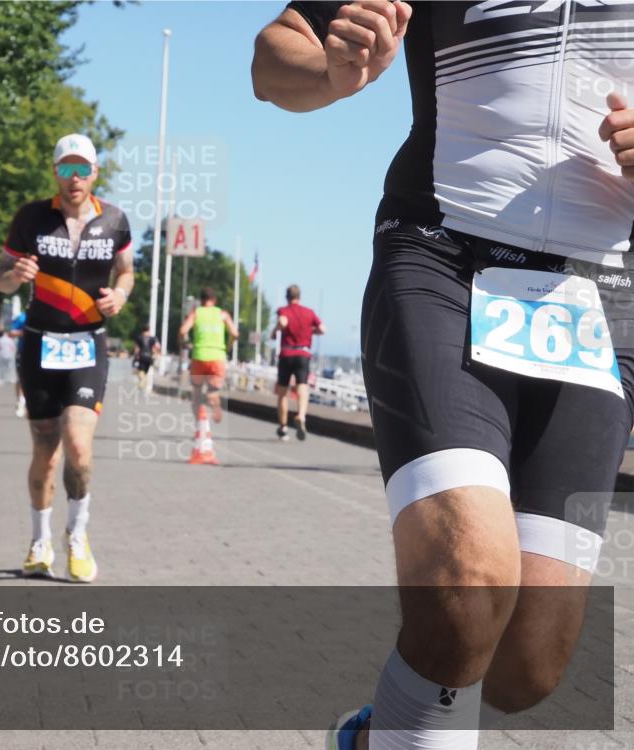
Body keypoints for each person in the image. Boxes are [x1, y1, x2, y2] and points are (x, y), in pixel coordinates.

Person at [253, 3, 634, 750]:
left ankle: (375, 737)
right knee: (467, 586)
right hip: (443, 257)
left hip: (603, 301)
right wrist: (331, 71)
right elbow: (273, 60)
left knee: (528, 667)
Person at [0, 133, 134, 583]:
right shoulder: (32, 217)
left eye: (82, 169)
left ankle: (77, 535)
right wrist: (15, 276)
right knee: (46, 452)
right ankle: (39, 540)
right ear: (55, 172)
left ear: (95, 172)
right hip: (39, 342)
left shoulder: (114, 220)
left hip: (87, 342)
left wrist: (121, 296)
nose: (74, 178)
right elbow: (1, 280)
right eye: (65, 169)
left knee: (78, 444)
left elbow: (127, 271)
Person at [179, 287, 239, 424]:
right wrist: (228, 346)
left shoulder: (196, 313)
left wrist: (186, 342)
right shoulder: (222, 314)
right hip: (217, 357)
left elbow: (183, 331)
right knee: (213, 390)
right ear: (214, 300)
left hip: (199, 355)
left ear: (201, 301)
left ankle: (199, 424)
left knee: (197, 393)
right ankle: (214, 403)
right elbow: (235, 334)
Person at [273, 284, 324, 441]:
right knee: (302, 387)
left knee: (283, 392)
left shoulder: (284, 310)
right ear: (299, 297)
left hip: (287, 353)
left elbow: (282, 322)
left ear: (287, 297)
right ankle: (301, 416)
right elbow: (322, 329)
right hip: (303, 354)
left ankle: (283, 427)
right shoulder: (309, 312)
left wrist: (275, 331)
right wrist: (311, 331)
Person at [132, 324, 161, 391]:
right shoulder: (153, 338)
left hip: (141, 357)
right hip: (149, 357)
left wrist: (135, 357)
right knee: (145, 372)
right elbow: (158, 347)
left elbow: (136, 349)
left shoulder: (139, 337)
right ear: (149, 330)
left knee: (140, 371)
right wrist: (156, 353)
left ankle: (143, 381)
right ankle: (144, 381)